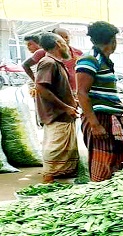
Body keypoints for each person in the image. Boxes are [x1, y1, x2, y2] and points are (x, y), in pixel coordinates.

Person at [75, 21, 123, 182]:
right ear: (112, 41)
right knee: (103, 162)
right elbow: (81, 93)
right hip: (99, 118)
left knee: (120, 161)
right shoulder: (90, 60)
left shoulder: (104, 60)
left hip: (112, 118)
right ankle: (100, 195)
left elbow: (102, 93)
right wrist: (94, 124)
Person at [35, 33, 79, 183]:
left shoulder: (56, 62)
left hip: (63, 114)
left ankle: (55, 180)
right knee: (54, 149)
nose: (67, 44)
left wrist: (72, 101)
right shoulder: (48, 62)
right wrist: (66, 107)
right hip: (56, 115)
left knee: (60, 150)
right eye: (64, 41)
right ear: (58, 44)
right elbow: (41, 88)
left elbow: (57, 88)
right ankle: (48, 181)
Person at [23, 28, 83, 92]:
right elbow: (25, 65)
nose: (65, 40)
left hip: (74, 91)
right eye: (61, 37)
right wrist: (35, 80)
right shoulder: (46, 56)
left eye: (66, 37)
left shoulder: (78, 52)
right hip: (56, 92)